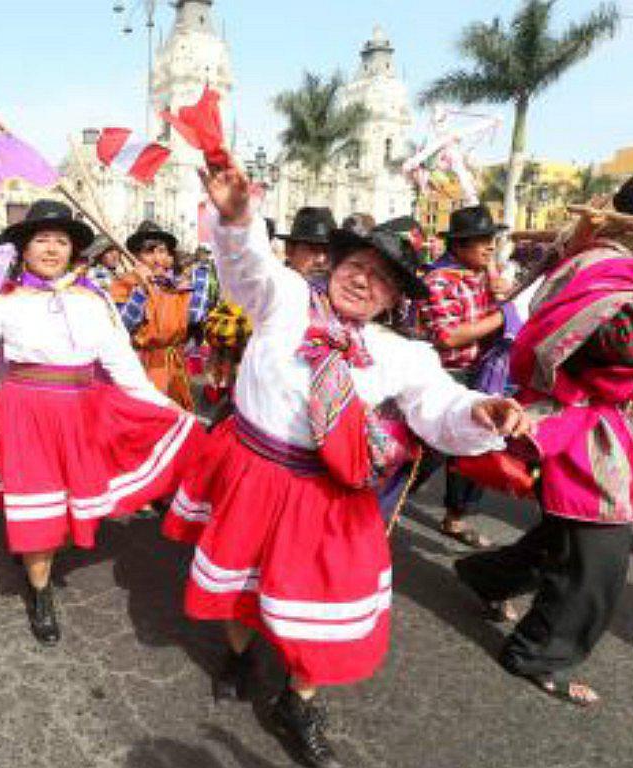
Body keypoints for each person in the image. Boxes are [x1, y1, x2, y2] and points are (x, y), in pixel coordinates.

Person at [164, 158, 527, 766]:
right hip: (255, 472)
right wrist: (234, 218)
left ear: (392, 300)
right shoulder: (284, 302)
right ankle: (238, 653)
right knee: (244, 586)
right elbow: (245, 265)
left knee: (328, 599)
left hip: (331, 494)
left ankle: (298, 702)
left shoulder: (400, 354)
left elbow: (438, 404)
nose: (364, 281)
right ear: (334, 265)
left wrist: (482, 409)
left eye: (382, 279)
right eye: (357, 266)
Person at [454, 161, 633, 707]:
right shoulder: (608, 268)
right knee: (597, 558)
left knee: (568, 537)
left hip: (596, 423)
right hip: (577, 429)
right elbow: (625, 345)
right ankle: (539, 652)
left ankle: (487, 577)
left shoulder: (622, 266)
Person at [0, 200, 199, 645]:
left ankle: (41, 561)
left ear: (72, 250)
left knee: (67, 505)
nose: (50, 249)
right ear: (24, 250)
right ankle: (40, 590)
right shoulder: (1, 303)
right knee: (38, 510)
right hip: (24, 413)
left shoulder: (95, 301)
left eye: (60, 240)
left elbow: (123, 365)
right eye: (41, 240)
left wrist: (168, 409)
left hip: (82, 412)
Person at [414, 204, 516, 548]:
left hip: (480, 372)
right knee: (428, 450)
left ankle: (455, 519)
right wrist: (504, 316)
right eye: (482, 241)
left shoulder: (483, 275)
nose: (490, 247)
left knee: (475, 447)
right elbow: (448, 336)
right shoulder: (437, 281)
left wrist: (503, 295)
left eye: (492, 240)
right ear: (458, 246)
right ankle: (381, 505)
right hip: (447, 375)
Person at [109, 220, 215, 409]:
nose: (157, 258)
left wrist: (200, 279)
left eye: (162, 251)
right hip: (140, 371)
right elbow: (121, 327)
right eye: (149, 252)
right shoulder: (123, 284)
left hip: (176, 370)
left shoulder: (176, 286)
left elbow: (194, 317)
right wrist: (141, 289)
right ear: (136, 256)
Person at [277, 206, 337, 281]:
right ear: (290, 249)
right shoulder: (270, 288)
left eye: (328, 251)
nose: (321, 260)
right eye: (313, 249)